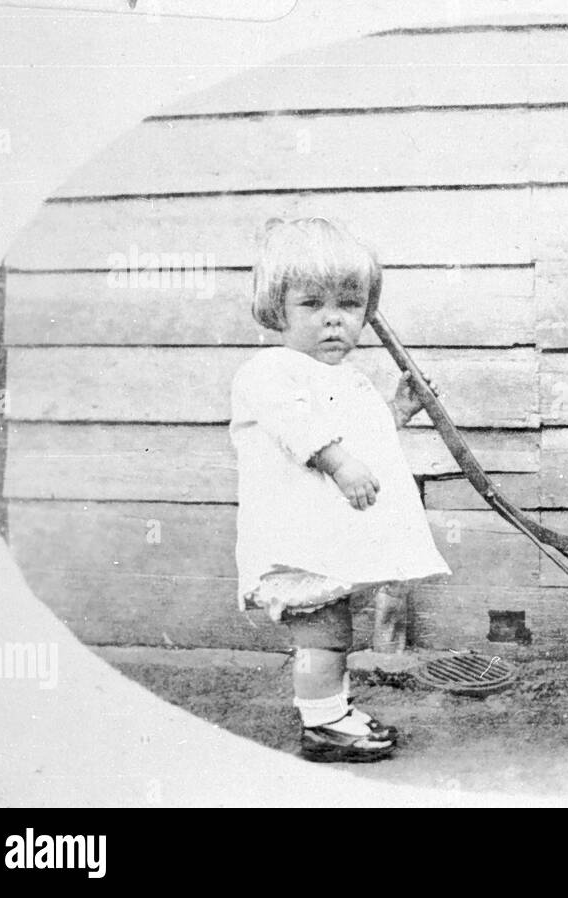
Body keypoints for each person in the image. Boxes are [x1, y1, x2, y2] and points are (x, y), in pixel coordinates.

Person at [230, 217, 450, 763]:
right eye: (312, 305)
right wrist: (339, 462)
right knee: (321, 636)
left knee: (331, 632)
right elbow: (302, 430)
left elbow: (366, 436)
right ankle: (323, 726)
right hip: (293, 543)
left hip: (321, 542)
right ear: (276, 309)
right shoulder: (271, 371)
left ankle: (331, 711)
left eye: (350, 305)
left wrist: (398, 408)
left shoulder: (344, 379)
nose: (334, 320)